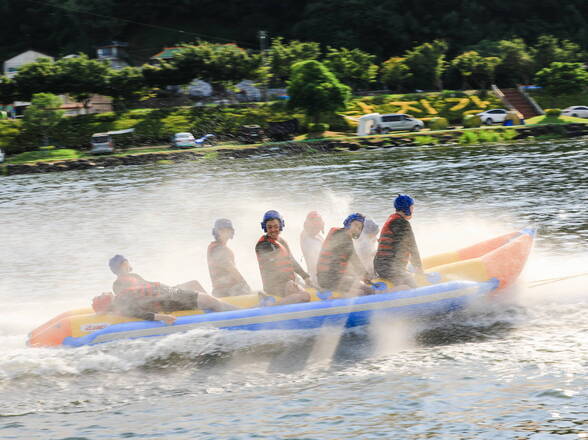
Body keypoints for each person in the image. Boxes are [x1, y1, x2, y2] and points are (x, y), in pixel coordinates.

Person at [109, 255, 238, 325]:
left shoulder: (134, 276)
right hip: (161, 302)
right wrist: (159, 316)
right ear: (118, 268)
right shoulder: (118, 285)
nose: (127, 265)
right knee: (207, 299)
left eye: (125, 262)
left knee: (194, 284)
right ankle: (235, 312)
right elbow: (131, 306)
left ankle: (214, 306)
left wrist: (172, 289)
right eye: (123, 263)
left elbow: (151, 286)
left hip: (166, 293)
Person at [255, 210, 312, 305]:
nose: (273, 230)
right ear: (265, 227)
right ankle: (273, 307)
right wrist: (291, 284)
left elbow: (291, 261)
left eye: (276, 226)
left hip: (286, 284)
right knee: (305, 296)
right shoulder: (263, 245)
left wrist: (305, 277)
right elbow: (273, 270)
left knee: (304, 290)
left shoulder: (282, 241)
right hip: (274, 287)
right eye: (269, 227)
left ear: (281, 226)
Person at [374, 194, 424, 289]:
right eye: (412, 208)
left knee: (405, 278)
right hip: (389, 268)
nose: (413, 211)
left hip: (380, 267)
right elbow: (412, 247)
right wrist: (419, 269)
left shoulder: (391, 219)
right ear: (406, 208)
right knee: (411, 282)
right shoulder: (402, 223)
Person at [316, 213, 372, 296]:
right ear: (348, 223)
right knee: (364, 292)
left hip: (332, 278)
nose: (356, 229)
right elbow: (355, 260)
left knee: (365, 288)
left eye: (359, 228)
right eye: (355, 225)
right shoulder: (342, 237)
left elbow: (353, 260)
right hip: (329, 280)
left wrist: (364, 275)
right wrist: (365, 275)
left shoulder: (341, 234)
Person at [207, 218, 251, 297]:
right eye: (222, 230)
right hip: (227, 292)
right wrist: (245, 284)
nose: (225, 233)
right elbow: (230, 268)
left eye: (228, 230)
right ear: (216, 232)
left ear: (232, 232)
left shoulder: (217, 247)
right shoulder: (218, 249)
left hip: (225, 291)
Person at [299, 211, 325, 284]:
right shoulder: (306, 239)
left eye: (319, 228)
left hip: (322, 274)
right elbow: (315, 264)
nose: (317, 230)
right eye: (315, 227)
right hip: (316, 278)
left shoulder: (318, 236)